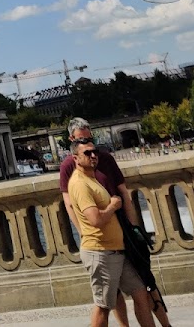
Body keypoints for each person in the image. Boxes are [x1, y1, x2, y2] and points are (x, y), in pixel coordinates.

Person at [60, 119, 172, 327]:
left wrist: (133, 227)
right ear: (73, 145)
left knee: (143, 287)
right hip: (100, 247)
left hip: (122, 238)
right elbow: (73, 206)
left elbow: (123, 193)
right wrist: (85, 230)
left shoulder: (101, 164)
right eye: (83, 144)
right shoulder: (76, 177)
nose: (92, 154)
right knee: (106, 303)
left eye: (91, 143)